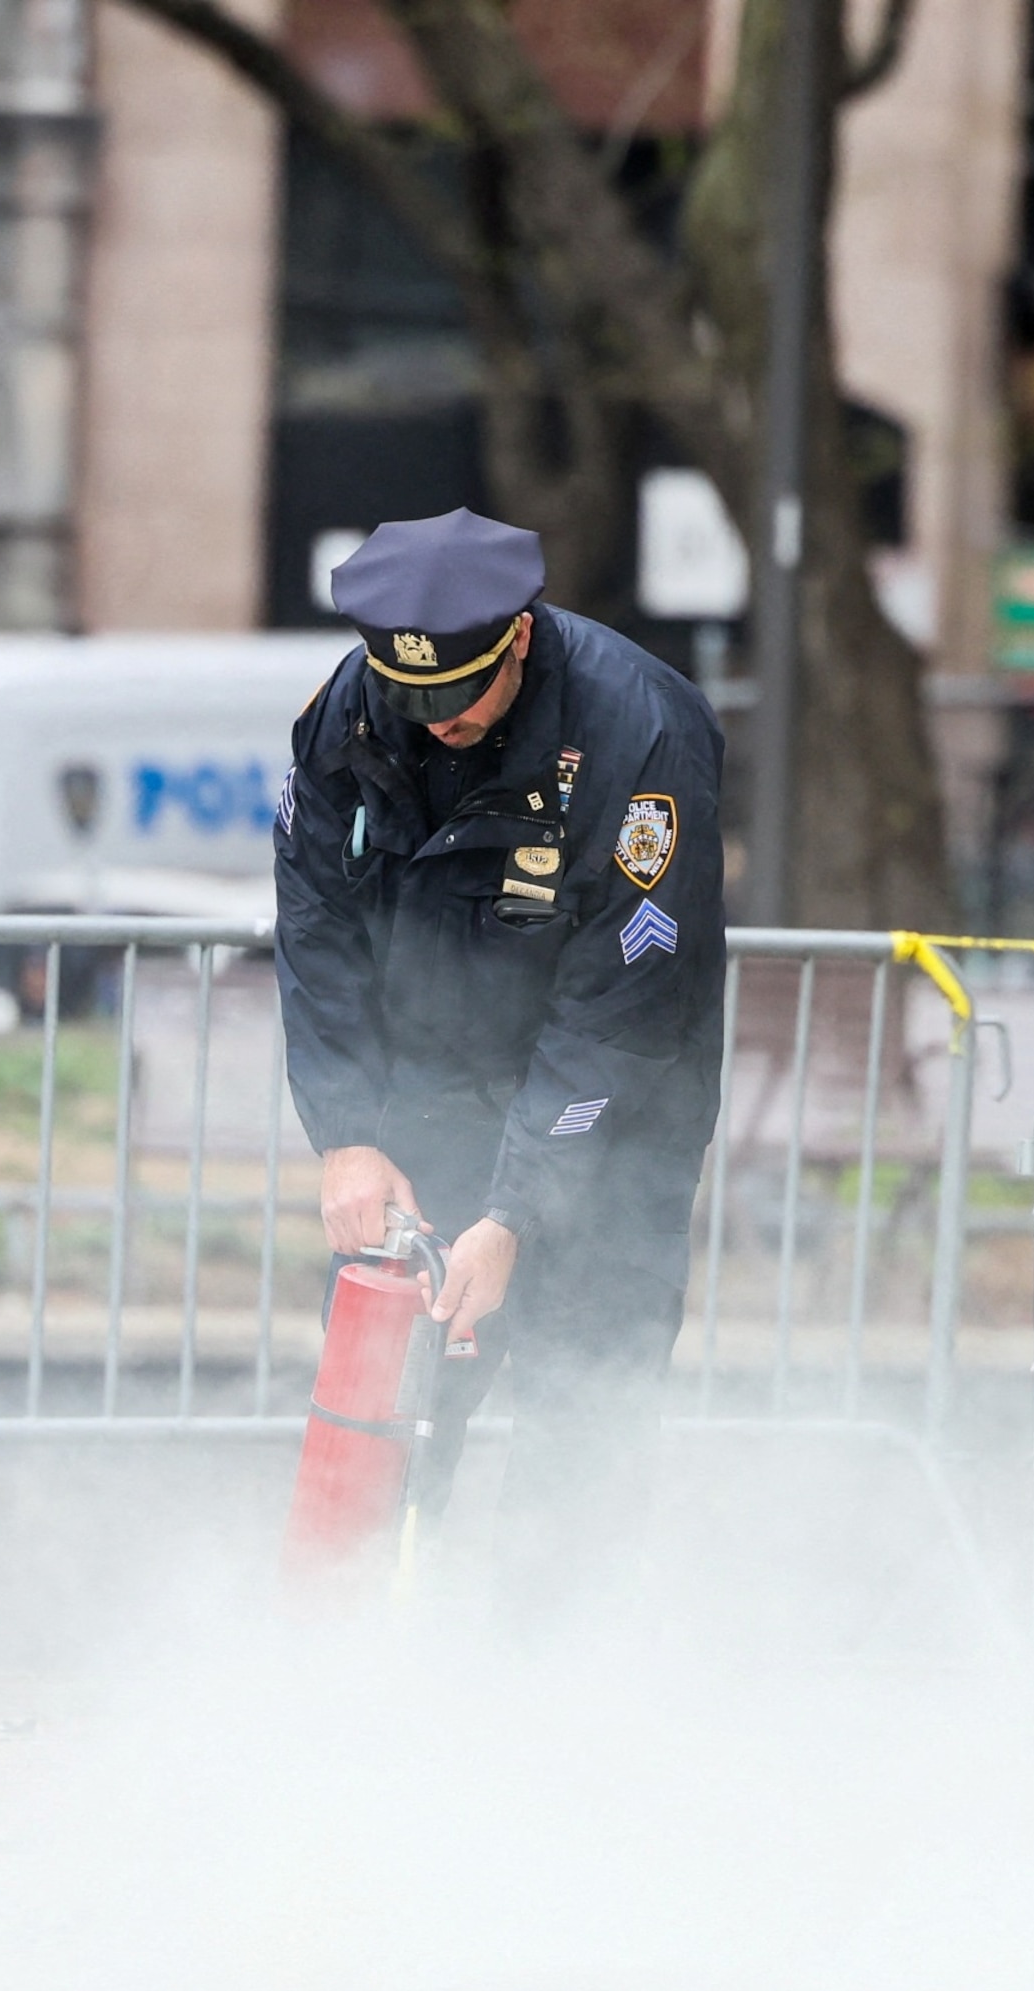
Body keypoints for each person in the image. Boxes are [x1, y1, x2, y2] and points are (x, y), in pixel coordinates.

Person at [274, 507, 726, 1613]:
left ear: (519, 637)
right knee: (385, 1403)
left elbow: (621, 1004)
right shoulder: (355, 703)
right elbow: (315, 919)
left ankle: (543, 1693)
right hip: (432, 1093)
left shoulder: (642, 733)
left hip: (617, 1111)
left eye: (459, 696)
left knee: (586, 1416)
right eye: (412, 698)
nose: (436, 725)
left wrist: (517, 1210)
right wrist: (351, 1133)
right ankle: (330, 1669)